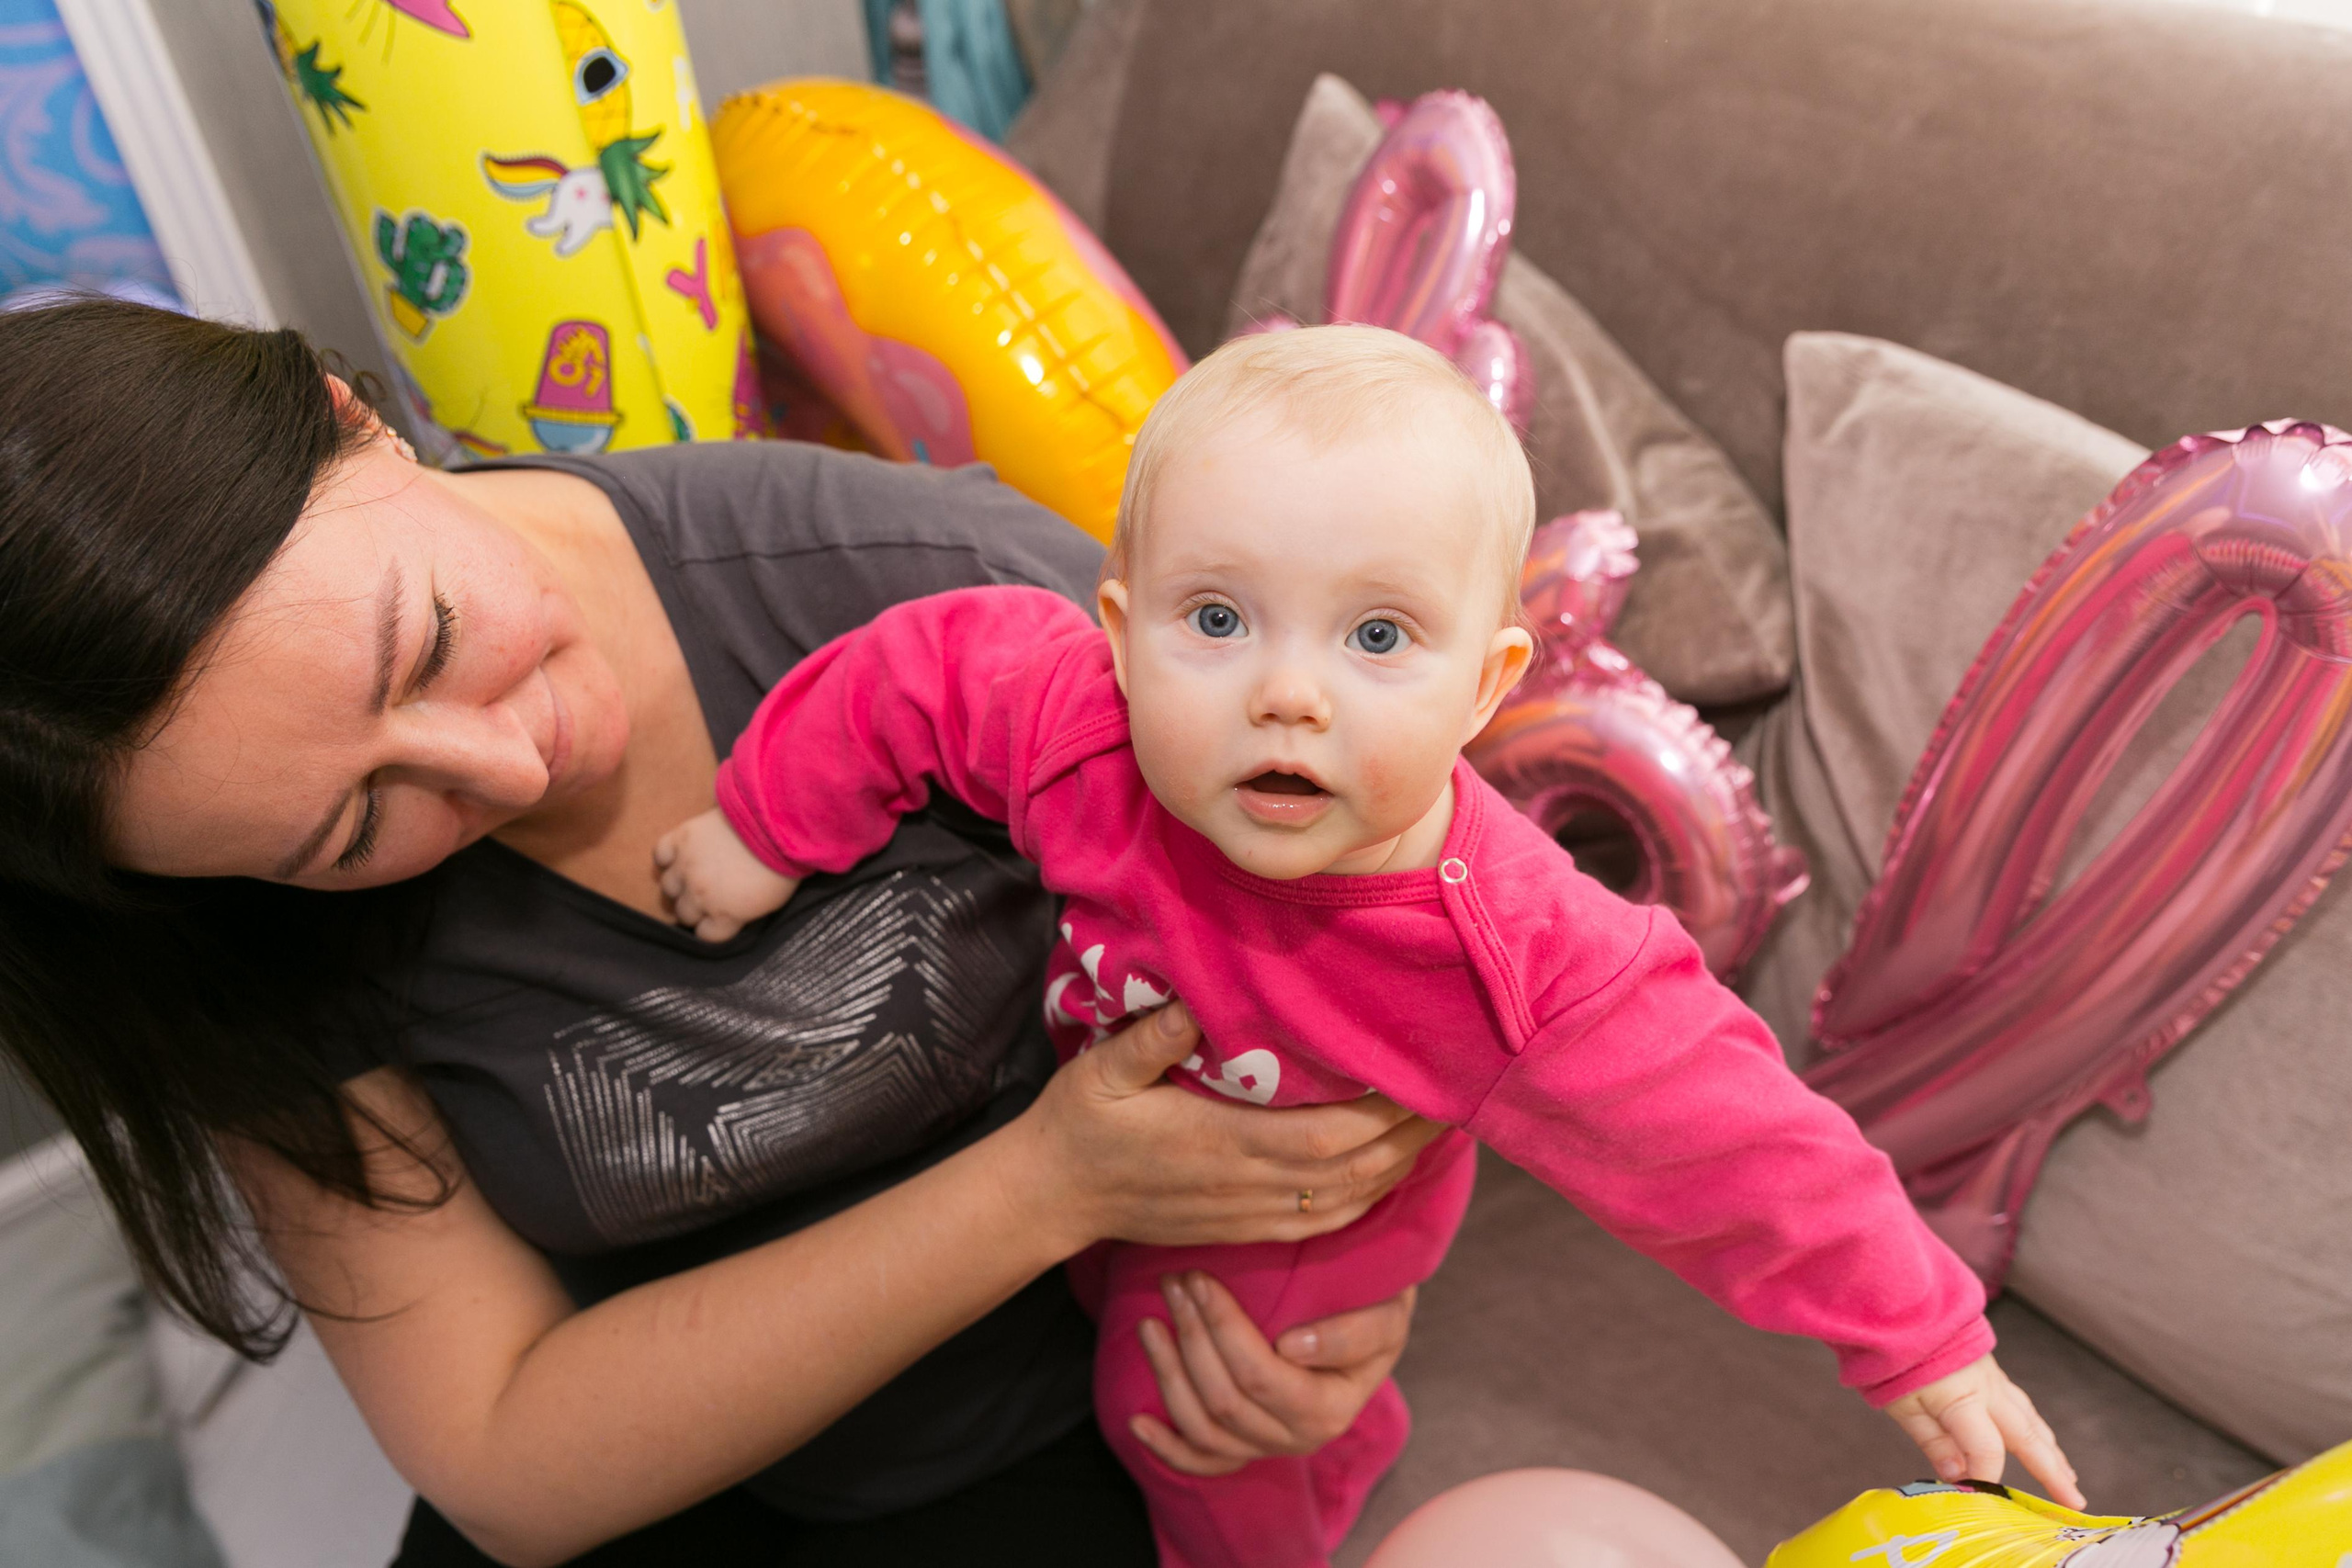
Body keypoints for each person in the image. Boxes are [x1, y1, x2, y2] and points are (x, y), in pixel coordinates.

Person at [0, 299, 1448, 1567]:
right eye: (355, 830)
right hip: (644, 1445)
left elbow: (1413, 945)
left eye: (434, 640)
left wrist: (1338, 1311)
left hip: (1024, 1428)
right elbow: (506, 1451)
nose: (509, 769)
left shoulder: (919, 581)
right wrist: (1049, 1180)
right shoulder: (221, 914)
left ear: (352, 420)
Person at [655, 325, 2088, 1568]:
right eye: (1216, 620)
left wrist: (1920, 1336)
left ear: (1487, 685)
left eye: (1379, 638)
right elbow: (916, 676)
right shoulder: (1069, 716)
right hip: (1109, 1118)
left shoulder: (1513, 951)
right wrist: (764, 827)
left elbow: (1735, 1136)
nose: (1287, 694)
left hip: (1297, 1230)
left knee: (1185, 1424)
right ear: (1120, 632)